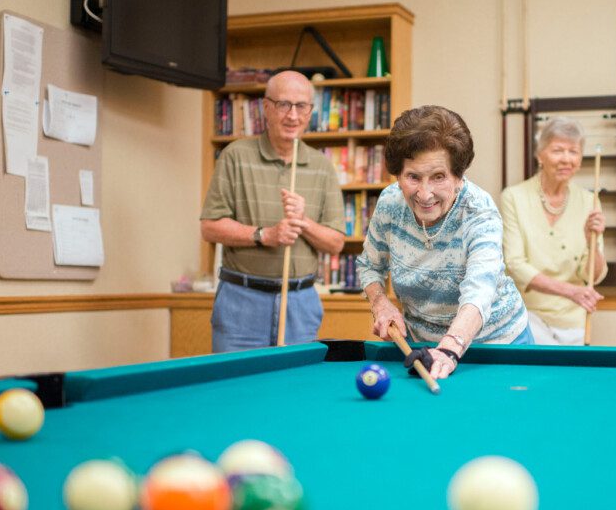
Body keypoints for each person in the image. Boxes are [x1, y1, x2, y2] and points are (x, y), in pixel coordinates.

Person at [357, 105, 530, 380]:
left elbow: (480, 290)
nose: (425, 194)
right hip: (423, 346)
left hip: (497, 345)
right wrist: (381, 302)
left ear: (459, 177)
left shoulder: (479, 212)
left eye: (439, 177)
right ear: (398, 175)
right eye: (413, 177)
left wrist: (451, 347)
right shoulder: (390, 203)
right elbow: (369, 264)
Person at [200, 70, 345, 352]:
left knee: (293, 392)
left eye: (301, 106)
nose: (293, 116)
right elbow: (210, 227)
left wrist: (303, 222)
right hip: (242, 300)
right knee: (239, 390)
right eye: (283, 105)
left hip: (300, 303)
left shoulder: (321, 166)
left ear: (311, 111)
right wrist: (266, 235)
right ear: (266, 107)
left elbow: (336, 242)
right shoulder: (235, 155)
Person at [500, 116, 608, 345]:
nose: (566, 159)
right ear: (540, 155)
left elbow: (593, 275)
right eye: (558, 150)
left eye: (573, 151)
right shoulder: (514, 197)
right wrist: (571, 291)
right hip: (526, 316)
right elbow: (515, 264)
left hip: (575, 321)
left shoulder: (590, 202)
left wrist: (591, 244)